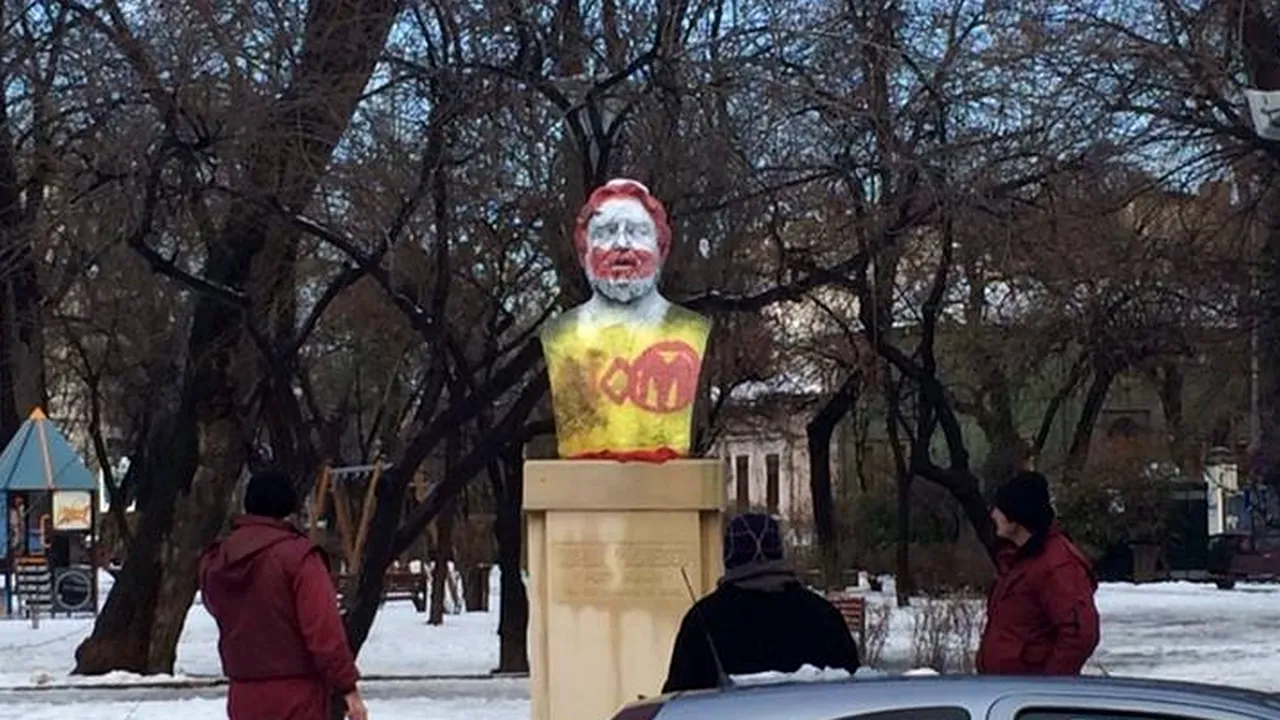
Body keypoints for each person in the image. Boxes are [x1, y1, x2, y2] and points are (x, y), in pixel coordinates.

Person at [199, 470, 367, 720]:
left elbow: (217, 606)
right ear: (289, 507)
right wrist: (347, 686)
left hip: (243, 694)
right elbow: (323, 630)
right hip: (297, 696)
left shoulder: (219, 559)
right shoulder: (298, 557)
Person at [662, 513, 860, 693]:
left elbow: (678, 699)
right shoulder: (823, 614)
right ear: (779, 552)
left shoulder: (704, 618)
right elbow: (852, 692)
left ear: (729, 556)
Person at [976, 471, 1100, 676]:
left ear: (1017, 516)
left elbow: (1080, 634)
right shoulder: (1019, 559)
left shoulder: (1057, 565)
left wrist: (1048, 688)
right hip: (1008, 693)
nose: (993, 515)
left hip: (1029, 698)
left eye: (999, 508)